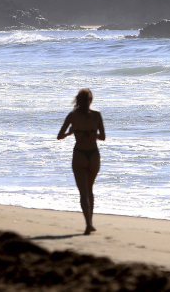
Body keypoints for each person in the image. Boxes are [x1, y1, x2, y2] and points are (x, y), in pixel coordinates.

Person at [57, 88, 106, 235]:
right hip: (93, 154)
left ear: (77, 100)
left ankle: (88, 224)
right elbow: (102, 137)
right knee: (90, 189)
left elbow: (60, 136)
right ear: (91, 100)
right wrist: (91, 133)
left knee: (83, 192)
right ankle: (90, 223)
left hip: (79, 154)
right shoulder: (97, 115)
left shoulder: (72, 115)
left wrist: (72, 132)